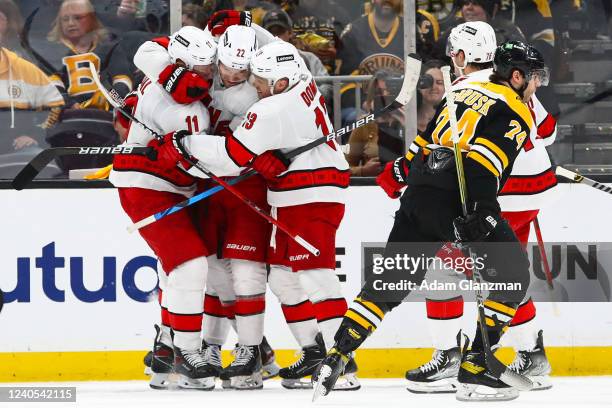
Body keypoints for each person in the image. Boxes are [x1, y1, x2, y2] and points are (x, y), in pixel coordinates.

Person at [313, 39, 547, 402]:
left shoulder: (462, 89)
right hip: (461, 193)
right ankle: (476, 367)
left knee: (389, 281)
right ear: (516, 76)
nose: (536, 85)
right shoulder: (516, 108)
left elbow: (428, 141)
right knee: (514, 273)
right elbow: (484, 162)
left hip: (420, 190)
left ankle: (338, 354)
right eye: (534, 78)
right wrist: (483, 209)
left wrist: (402, 170)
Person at [149, 40, 357, 391]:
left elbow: (231, 156)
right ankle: (314, 351)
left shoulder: (271, 109)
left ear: (278, 83)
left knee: (316, 277)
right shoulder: (302, 77)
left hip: (312, 195)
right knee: (282, 278)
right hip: (295, 194)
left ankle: (343, 365)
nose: (254, 86)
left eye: (260, 79)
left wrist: (182, 143)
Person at [402, 22, 554, 394]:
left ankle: (457, 356)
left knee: (448, 269)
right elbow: (547, 130)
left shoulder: (467, 86)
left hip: (494, 193)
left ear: (461, 56)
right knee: (496, 270)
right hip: (528, 189)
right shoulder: (510, 76)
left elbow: (437, 144)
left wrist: (406, 170)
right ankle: (528, 353)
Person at [108, 26, 215, 390]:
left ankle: (166, 350)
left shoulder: (164, 70)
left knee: (175, 270)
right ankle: (186, 352)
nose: (210, 74)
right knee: (190, 265)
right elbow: (200, 166)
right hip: (148, 188)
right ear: (182, 64)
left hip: (164, 188)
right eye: (203, 69)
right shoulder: (189, 109)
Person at [45, 0, 133, 110]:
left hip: (107, 115)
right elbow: (50, 82)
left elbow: (123, 80)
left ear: (92, 19)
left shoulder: (110, 48)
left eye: (78, 18)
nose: (71, 23)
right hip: (66, 116)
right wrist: (68, 104)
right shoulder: (52, 51)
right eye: (65, 19)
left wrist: (110, 99)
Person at [0, 43, 64, 157]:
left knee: (37, 158)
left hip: (18, 147)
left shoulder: (25, 69)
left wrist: (36, 135)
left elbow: (55, 106)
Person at [261, 8, 332, 104]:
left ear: (290, 33)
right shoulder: (257, 62)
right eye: (271, 33)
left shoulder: (308, 58)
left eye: (280, 32)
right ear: (264, 35)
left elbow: (328, 88)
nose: (276, 37)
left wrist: (302, 93)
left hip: (306, 111)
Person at [345, 70, 406, 177]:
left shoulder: (415, 121)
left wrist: (405, 121)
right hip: (374, 186)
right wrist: (362, 171)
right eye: (378, 93)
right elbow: (345, 167)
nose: (383, 97)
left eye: (389, 92)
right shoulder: (364, 124)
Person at [417, 59, 445, 134]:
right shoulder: (408, 119)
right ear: (419, 85)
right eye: (428, 81)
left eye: (439, 82)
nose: (433, 86)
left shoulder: (452, 122)